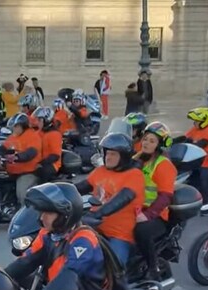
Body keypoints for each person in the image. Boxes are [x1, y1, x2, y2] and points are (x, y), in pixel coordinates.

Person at [76, 133, 145, 265]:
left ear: (124, 157)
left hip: (118, 234)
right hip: (95, 227)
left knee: (115, 269)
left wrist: (98, 213)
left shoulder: (134, 175)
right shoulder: (101, 171)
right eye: (107, 153)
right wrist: (57, 190)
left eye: (113, 154)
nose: (108, 157)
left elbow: (121, 199)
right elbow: (82, 187)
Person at [134, 122, 178, 279]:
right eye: (145, 139)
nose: (146, 143)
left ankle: (153, 268)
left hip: (155, 215)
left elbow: (166, 196)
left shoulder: (163, 165)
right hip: (132, 209)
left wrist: (147, 215)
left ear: (160, 145)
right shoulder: (137, 159)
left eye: (152, 141)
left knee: (141, 230)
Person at [2, 113, 43, 204]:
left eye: (16, 126)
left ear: (23, 126)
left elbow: (31, 153)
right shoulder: (13, 137)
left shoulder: (32, 136)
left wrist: (17, 157)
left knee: (22, 193)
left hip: (27, 171)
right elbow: (3, 148)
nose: (14, 129)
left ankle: (27, 215)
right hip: (12, 171)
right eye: (13, 127)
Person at [182, 107, 208, 203]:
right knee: (190, 180)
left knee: (204, 182)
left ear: (204, 121)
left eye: (196, 121)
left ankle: (207, 204)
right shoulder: (196, 128)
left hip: (207, 163)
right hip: (196, 160)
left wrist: (187, 144)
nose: (194, 123)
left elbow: (200, 145)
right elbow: (186, 138)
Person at [33, 107, 62, 181]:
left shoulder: (54, 134)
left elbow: (55, 155)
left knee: (41, 173)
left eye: (39, 120)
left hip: (51, 165)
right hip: (38, 162)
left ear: (46, 121)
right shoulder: (37, 133)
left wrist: (41, 163)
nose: (37, 122)